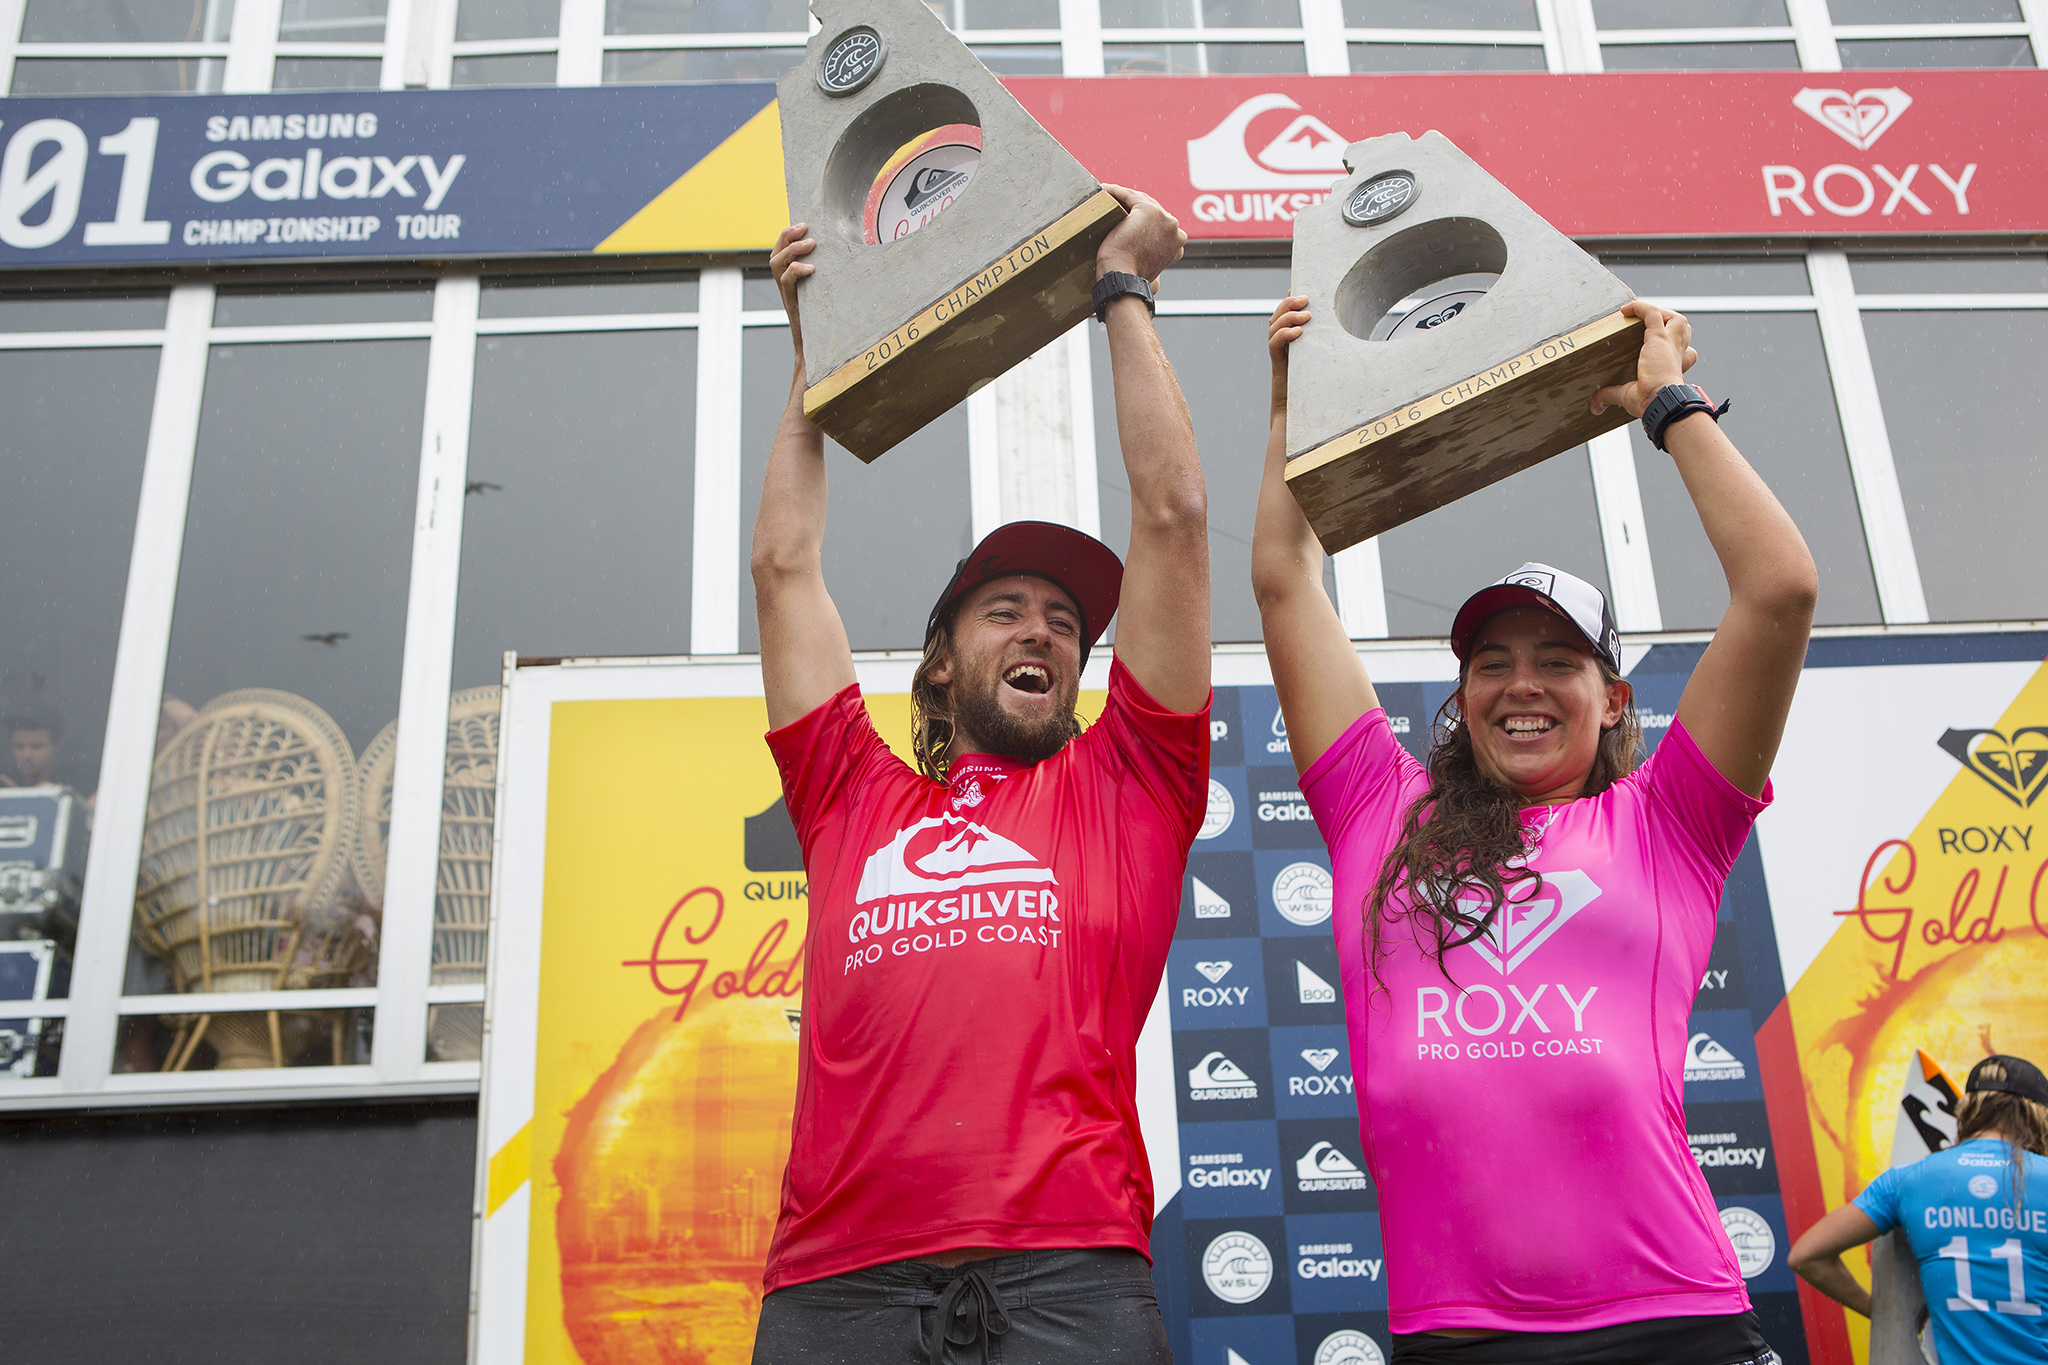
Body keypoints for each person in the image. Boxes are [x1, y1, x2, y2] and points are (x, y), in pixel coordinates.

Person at [1249, 296, 1818, 1363]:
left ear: (1609, 699)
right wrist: (1296, 410)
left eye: (1556, 661)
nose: (1520, 685)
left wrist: (1671, 409)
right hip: (1454, 1332)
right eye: (1490, 662)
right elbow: (1285, 581)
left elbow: (1778, 589)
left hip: (1668, 1320)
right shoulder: (1381, 809)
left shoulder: (1668, 821)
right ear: (1460, 695)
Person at [748, 186, 1210, 1365]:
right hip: (837, 1283)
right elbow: (783, 567)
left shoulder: (1132, 784)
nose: (1044, 633)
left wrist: (1120, 290)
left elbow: (1170, 516)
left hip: (1070, 1280)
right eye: (1005, 611)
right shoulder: (850, 789)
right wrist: (819, 358)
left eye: (1065, 623)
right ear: (942, 668)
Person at [1789, 1055, 2048, 1364]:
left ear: (1968, 1109)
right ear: (2037, 1115)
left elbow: (1807, 1256)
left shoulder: (1909, 1179)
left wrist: (1881, 1312)